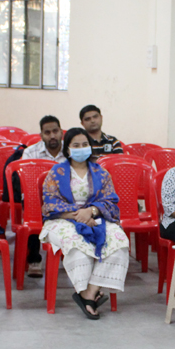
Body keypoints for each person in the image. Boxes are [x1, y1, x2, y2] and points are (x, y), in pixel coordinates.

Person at [41, 128, 130, 319]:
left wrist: (91, 211)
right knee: (77, 244)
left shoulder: (101, 173)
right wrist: (78, 215)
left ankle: (90, 292)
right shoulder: (56, 172)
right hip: (63, 219)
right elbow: (49, 203)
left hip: (95, 216)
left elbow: (110, 201)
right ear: (68, 149)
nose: (81, 148)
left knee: (119, 240)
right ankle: (85, 293)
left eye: (84, 144)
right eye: (76, 145)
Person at [8, 115, 67, 278]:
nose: (52, 136)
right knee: (33, 207)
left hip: (65, 199)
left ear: (61, 132)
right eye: (47, 132)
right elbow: (26, 182)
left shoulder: (69, 151)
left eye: (55, 131)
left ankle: (73, 256)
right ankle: (34, 259)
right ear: (41, 135)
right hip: (36, 197)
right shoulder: (30, 152)